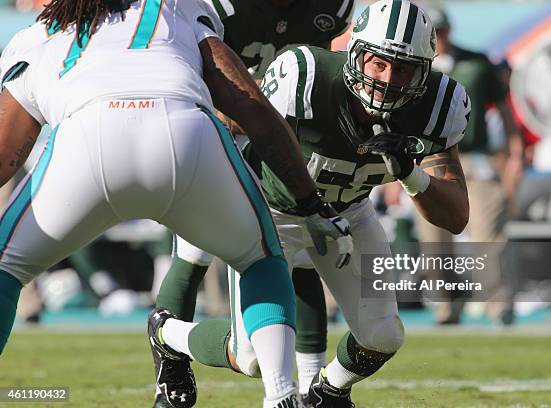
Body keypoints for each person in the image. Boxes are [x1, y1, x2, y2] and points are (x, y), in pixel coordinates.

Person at [0, 2, 353, 408]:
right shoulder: (176, 6)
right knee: (261, 259)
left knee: (6, 269)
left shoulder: (35, 37)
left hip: (86, 142)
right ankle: (281, 395)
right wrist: (309, 201)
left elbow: (5, 154)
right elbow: (248, 104)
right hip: (185, 135)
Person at [152, 1, 471, 406]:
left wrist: (411, 172)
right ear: (354, 53)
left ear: (425, 72)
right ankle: (167, 333)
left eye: (404, 68)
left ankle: (327, 391)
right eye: (378, 63)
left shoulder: (438, 106)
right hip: (269, 212)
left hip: (349, 212)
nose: (389, 79)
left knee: (384, 336)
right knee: (250, 359)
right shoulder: (304, 75)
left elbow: (457, 215)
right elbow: (251, 135)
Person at [152, 2, 356, 405]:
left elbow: (317, 69)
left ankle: (311, 384)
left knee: (299, 247)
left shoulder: (332, 6)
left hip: (283, 136)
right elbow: (183, 65)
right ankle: (168, 365)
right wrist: (244, 112)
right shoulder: (218, 6)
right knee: (194, 252)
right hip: (217, 127)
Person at [411, 5, 524, 324]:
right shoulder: (413, 67)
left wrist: (515, 154)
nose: (441, 36)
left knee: (489, 234)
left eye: (443, 29)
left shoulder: (476, 63)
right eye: (435, 31)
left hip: (476, 158)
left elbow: (504, 110)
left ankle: (499, 303)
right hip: (429, 160)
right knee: (434, 238)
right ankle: (446, 305)